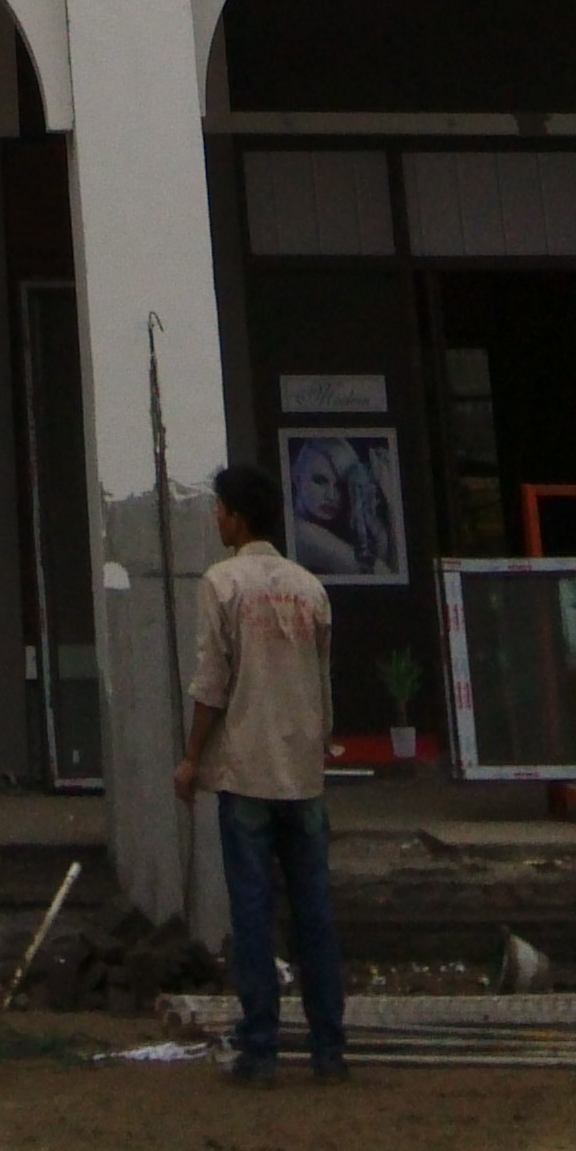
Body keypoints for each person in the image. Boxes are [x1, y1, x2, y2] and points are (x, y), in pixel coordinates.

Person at [175, 457, 347, 1085]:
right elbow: (324, 685)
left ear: (237, 517)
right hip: (303, 774)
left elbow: (211, 684)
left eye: (219, 508)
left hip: (246, 770)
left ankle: (260, 1048)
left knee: (252, 913)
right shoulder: (310, 588)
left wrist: (193, 757)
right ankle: (330, 1048)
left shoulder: (222, 585)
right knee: (314, 912)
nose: (216, 517)